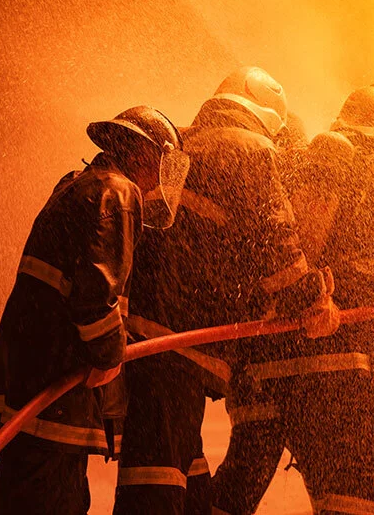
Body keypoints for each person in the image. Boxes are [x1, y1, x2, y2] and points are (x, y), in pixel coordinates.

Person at [112, 67, 339, 515]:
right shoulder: (253, 150)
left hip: (142, 339)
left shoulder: (182, 141)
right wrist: (317, 299)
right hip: (179, 346)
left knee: (186, 485)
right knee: (153, 489)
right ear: (268, 118)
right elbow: (278, 252)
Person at [211, 84, 374, 515]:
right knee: (366, 497)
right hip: (341, 376)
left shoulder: (284, 169)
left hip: (258, 369)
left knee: (233, 494)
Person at [0, 106, 189, 515]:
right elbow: (96, 296)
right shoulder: (118, 192)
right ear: (140, 157)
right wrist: (108, 356)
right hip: (57, 388)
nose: (159, 182)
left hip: (32, 381)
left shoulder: (76, 185)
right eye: (160, 166)